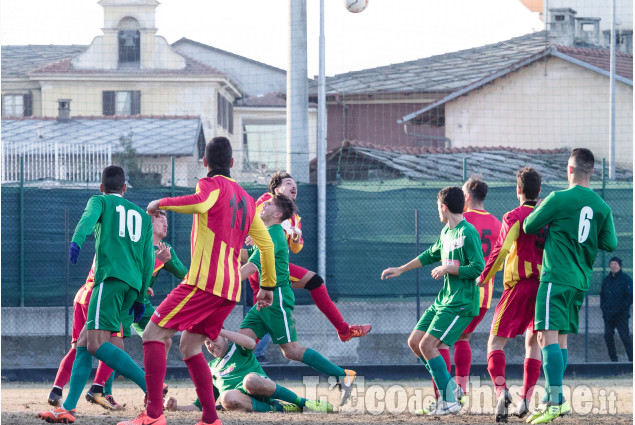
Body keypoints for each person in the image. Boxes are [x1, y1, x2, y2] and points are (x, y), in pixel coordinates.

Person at [120, 137, 276, 425]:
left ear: (205, 163)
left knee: (153, 334)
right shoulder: (245, 198)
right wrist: (267, 285)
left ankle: (153, 414)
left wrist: (160, 202)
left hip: (205, 283)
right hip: (229, 290)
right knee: (190, 346)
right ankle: (209, 417)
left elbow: (201, 202)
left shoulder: (209, 185)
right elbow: (265, 247)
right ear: (232, 163)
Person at [38, 165, 155, 424]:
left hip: (109, 280)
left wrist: (76, 241)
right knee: (83, 342)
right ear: (125, 188)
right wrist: (138, 297)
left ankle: (151, 388)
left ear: (101, 188)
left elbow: (87, 221)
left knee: (96, 344)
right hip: (132, 286)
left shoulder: (99, 201)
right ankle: (67, 408)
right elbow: (148, 259)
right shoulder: (143, 216)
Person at [523, 148, 617, 424]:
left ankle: (555, 402)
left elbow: (529, 225)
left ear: (570, 169)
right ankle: (555, 399)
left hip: (556, 278)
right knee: (560, 338)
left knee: (544, 337)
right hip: (579, 282)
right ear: (592, 172)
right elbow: (610, 244)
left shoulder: (557, 198)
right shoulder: (602, 206)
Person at [239, 193, 357, 407]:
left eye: (270, 203)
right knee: (240, 344)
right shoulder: (265, 233)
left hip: (277, 298)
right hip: (264, 301)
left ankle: (341, 375)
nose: (263, 204)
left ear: (277, 214)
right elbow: (249, 258)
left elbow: (252, 266)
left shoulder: (274, 234)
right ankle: (243, 390)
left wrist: (223, 284)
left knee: (291, 350)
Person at [381, 186, 484, 415]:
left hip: (461, 302)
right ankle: (450, 389)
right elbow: (429, 255)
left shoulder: (468, 232)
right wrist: (401, 269)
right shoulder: (446, 232)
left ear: (444, 207)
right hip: (444, 300)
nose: (438, 211)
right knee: (415, 342)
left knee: (428, 345)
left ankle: (449, 400)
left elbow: (478, 267)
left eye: (438, 207)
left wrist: (448, 268)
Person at [247, 171, 371, 342]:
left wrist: (295, 239)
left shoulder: (294, 217)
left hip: (269, 267)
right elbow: (256, 217)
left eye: (295, 184)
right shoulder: (268, 200)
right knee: (315, 282)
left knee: (260, 321)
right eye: (289, 183)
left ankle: (239, 357)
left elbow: (297, 248)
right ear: (276, 189)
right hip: (263, 263)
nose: (294, 186)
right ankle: (343, 329)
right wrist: (255, 232)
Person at [475, 167, 546, 422]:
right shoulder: (549, 217)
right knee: (533, 342)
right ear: (539, 191)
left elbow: (501, 250)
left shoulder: (513, 216)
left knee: (495, 343)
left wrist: (483, 278)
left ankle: (502, 391)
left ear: (518, 190)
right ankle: (525, 398)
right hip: (544, 287)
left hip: (519, 287)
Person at [436, 176, 501, 399]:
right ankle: (461, 388)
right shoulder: (497, 223)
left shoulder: (461, 221)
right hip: (486, 295)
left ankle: (444, 395)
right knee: (462, 339)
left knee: (439, 342)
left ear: (467, 197)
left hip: (462, 292)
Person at [163, 328, 332, 413]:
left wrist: (220, 330)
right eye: (207, 344)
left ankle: (303, 403)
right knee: (226, 397)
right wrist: (176, 407)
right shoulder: (211, 367)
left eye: (214, 340)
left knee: (249, 381)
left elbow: (251, 343)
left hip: (259, 386)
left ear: (224, 337)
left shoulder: (237, 348)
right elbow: (200, 405)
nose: (211, 346)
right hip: (242, 400)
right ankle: (278, 408)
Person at [47, 256, 126, 411]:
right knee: (114, 345)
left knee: (78, 347)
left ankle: (56, 390)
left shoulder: (112, 236)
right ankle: (98, 389)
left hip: (83, 293)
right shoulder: (129, 240)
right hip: (101, 297)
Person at [600, 256, 633, 362]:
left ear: (619, 266)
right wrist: (604, 309)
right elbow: (602, 296)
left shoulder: (626, 279)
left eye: (615, 264)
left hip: (621, 316)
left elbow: (630, 296)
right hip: (608, 315)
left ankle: (632, 360)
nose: (613, 266)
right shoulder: (606, 280)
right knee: (608, 336)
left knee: (625, 338)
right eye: (611, 264)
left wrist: (622, 309)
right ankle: (614, 360)